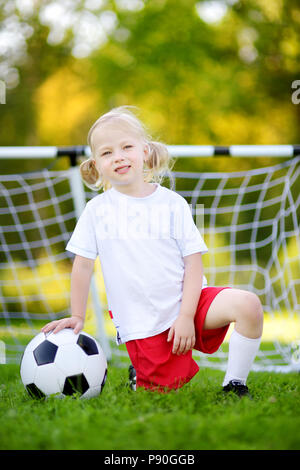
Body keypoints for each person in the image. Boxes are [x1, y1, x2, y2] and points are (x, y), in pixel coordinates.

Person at [42, 106, 263, 397]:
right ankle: (141, 373)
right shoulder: (97, 211)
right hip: (144, 322)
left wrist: (186, 316)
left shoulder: (172, 204)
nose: (118, 156)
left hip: (191, 302)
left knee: (249, 305)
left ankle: (234, 385)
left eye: (127, 147)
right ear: (96, 164)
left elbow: (193, 264)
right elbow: (82, 267)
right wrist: (78, 316)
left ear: (145, 151)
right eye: (107, 153)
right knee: (160, 393)